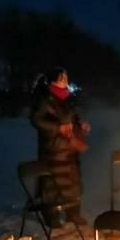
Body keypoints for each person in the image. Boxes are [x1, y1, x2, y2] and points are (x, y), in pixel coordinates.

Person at [30, 67, 90, 226]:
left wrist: (80, 124)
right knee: (53, 183)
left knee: (74, 180)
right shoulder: (45, 99)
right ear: (52, 80)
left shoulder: (67, 99)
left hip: (70, 147)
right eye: (61, 76)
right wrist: (58, 127)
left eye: (66, 76)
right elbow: (36, 120)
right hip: (53, 148)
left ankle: (73, 213)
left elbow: (72, 116)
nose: (64, 79)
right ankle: (51, 216)